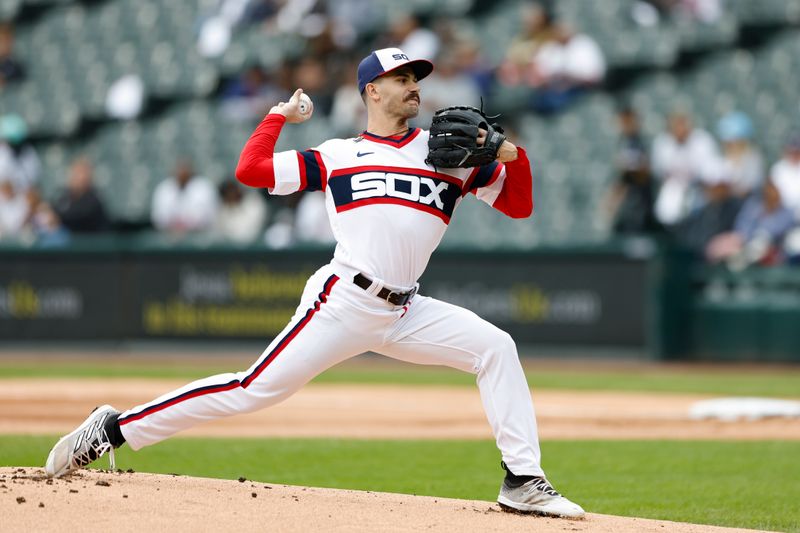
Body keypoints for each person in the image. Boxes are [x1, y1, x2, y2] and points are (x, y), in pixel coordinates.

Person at [44, 48, 584, 520]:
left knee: (496, 348)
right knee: (249, 390)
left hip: (404, 311)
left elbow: (520, 205)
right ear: (372, 90)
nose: (413, 86)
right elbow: (251, 171)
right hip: (342, 302)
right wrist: (279, 115)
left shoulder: (448, 154)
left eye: (416, 77)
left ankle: (522, 482)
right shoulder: (338, 154)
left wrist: (513, 155)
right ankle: (112, 430)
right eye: (401, 78)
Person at [651, 111, 720, 226]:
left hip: (700, 190)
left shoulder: (702, 141)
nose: (679, 129)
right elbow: (660, 174)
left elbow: (711, 175)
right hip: (675, 189)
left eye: (682, 124)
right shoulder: (662, 144)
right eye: (675, 125)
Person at [608, 105, 659, 234]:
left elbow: (645, 172)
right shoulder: (623, 142)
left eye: (627, 121)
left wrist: (630, 170)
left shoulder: (641, 142)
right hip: (628, 204)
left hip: (642, 201)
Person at [151, 159, 219, 235]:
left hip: (199, 234)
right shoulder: (164, 188)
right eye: (180, 169)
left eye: (185, 169)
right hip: (169, 235)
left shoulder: (204, 187)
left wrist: (187, 224)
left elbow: (210, 216)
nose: (182, 172)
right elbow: (158, 218)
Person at [53, 157, 110, 233]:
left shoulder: (95, 199)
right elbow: (54, 208)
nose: (79, 177)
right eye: (76, 173)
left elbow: (79, 217)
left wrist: (57, 218)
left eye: (82, 173)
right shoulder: (64, 196)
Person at [213, 178, 268, 243]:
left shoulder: (254, 202)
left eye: (233, 190)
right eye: (228, 192)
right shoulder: (222, 211)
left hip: (253, 245)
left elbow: (251, 232)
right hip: (230, 248)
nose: (231, 194)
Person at [770, 133, 800, 221]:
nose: (793, 155)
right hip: (781, 212)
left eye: (796, 152)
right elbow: (772, 195)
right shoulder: (778, 169)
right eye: (791, 151)